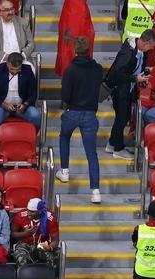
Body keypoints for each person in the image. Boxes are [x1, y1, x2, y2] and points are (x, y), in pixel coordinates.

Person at [58, 37, 104, 204]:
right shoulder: (98, 69)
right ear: (89, 51)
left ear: (75, 51)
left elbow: (65, 96)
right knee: (92, 154)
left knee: (64, 137)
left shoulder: (70, 70)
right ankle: (96, 191)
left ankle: (64, 171)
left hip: (73, 112)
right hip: (90, 114)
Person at [104, 29, 155, 160]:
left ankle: (112, 144)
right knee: (122, 119)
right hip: (120, 90)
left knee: (123, 118)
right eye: (152, 45)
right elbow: (118, 74)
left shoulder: (142, 51)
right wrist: (135, 79)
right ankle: (118, 149)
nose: (153, 48)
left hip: (129, 89)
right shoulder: (127, 53)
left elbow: (139, 67)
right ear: (145, 42)